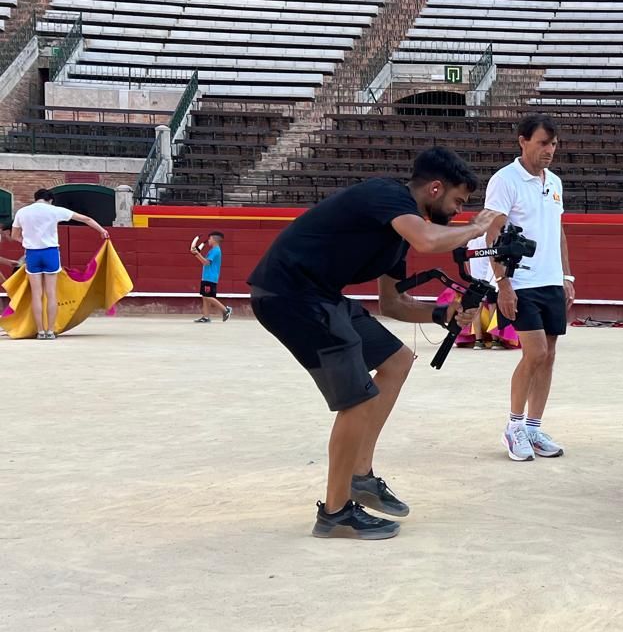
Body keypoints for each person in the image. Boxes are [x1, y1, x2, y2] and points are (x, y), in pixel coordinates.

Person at [248, 147, 499, 539]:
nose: (458, 211)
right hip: (290, 295)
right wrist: (476, 229)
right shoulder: (387, 195)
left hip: (320, 296)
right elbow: (429, 240)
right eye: (458, 201)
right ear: (435, 188)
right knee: (359, 398)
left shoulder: (396, 234)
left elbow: (392, 304)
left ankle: (359, 475)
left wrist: (441, 314)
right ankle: (334, 513)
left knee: (397, 359)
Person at [484, 114, 575, 461]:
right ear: (522, 141)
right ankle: (514, 426)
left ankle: (534, 428)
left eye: (553, 144)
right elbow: (493, 233)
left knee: (549, 356)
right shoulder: (505, 180)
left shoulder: (554, 183)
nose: (549, 150)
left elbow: (559, 230)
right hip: (521, 281)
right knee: (534, 353)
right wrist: (502, 283)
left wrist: (567, 276)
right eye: (542, 143)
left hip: (551, 279)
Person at [10, 188, 109, 340]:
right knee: (51, 294)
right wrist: (101, 230)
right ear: (50, 200)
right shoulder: (54, 210)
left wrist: (27, 242)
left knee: (37, 294)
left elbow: (14, 235)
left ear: (36, 198)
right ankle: (50, 331)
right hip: (50, 253)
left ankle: (40, 332)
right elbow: (85, 219)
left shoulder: (22, 212)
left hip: (32, 254)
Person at [190, 230, 232, 323]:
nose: (208, 240)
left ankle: (225, 310)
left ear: (213, 239)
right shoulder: (214, 250)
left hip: (210, 277)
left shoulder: (215, 251)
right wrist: (196, 255)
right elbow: (205, 262)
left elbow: (206, 262)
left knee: (207, 296)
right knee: (205, 296)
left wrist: (197, 254)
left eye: (209, 239)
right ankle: (206, 317)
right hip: (208, 276)